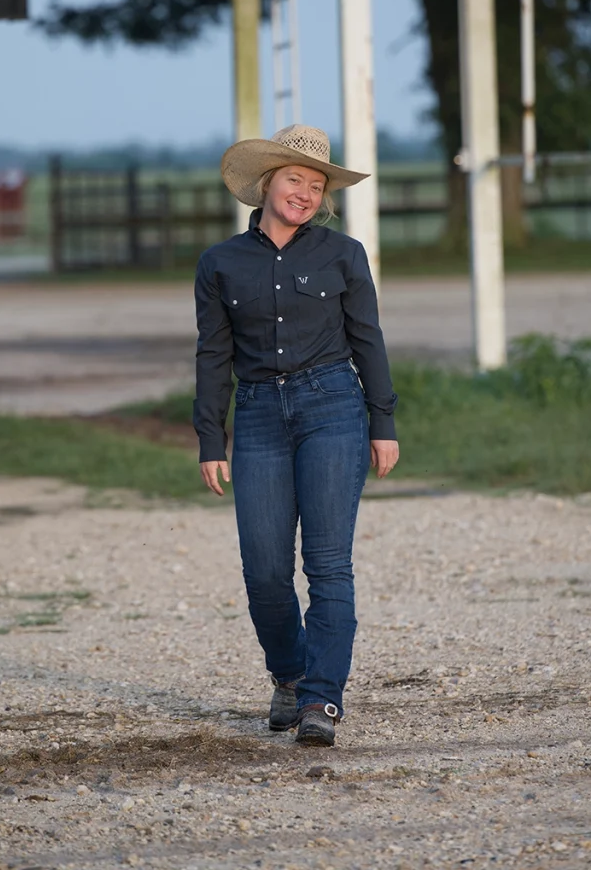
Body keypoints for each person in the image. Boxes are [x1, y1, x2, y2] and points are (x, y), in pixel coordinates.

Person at [193, 125, 399, 747]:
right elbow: (213, 355)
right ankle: (289, 676)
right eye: (294, 180)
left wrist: (382, 422)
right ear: (266, 184)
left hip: (333, 406)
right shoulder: (220, 263)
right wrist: (210, 436)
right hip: (258, 415)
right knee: (264, 570)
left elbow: (368, 339)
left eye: (316, 185)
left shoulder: (344, 254)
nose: (305, 194)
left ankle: (321, 700)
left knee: (329, 564)